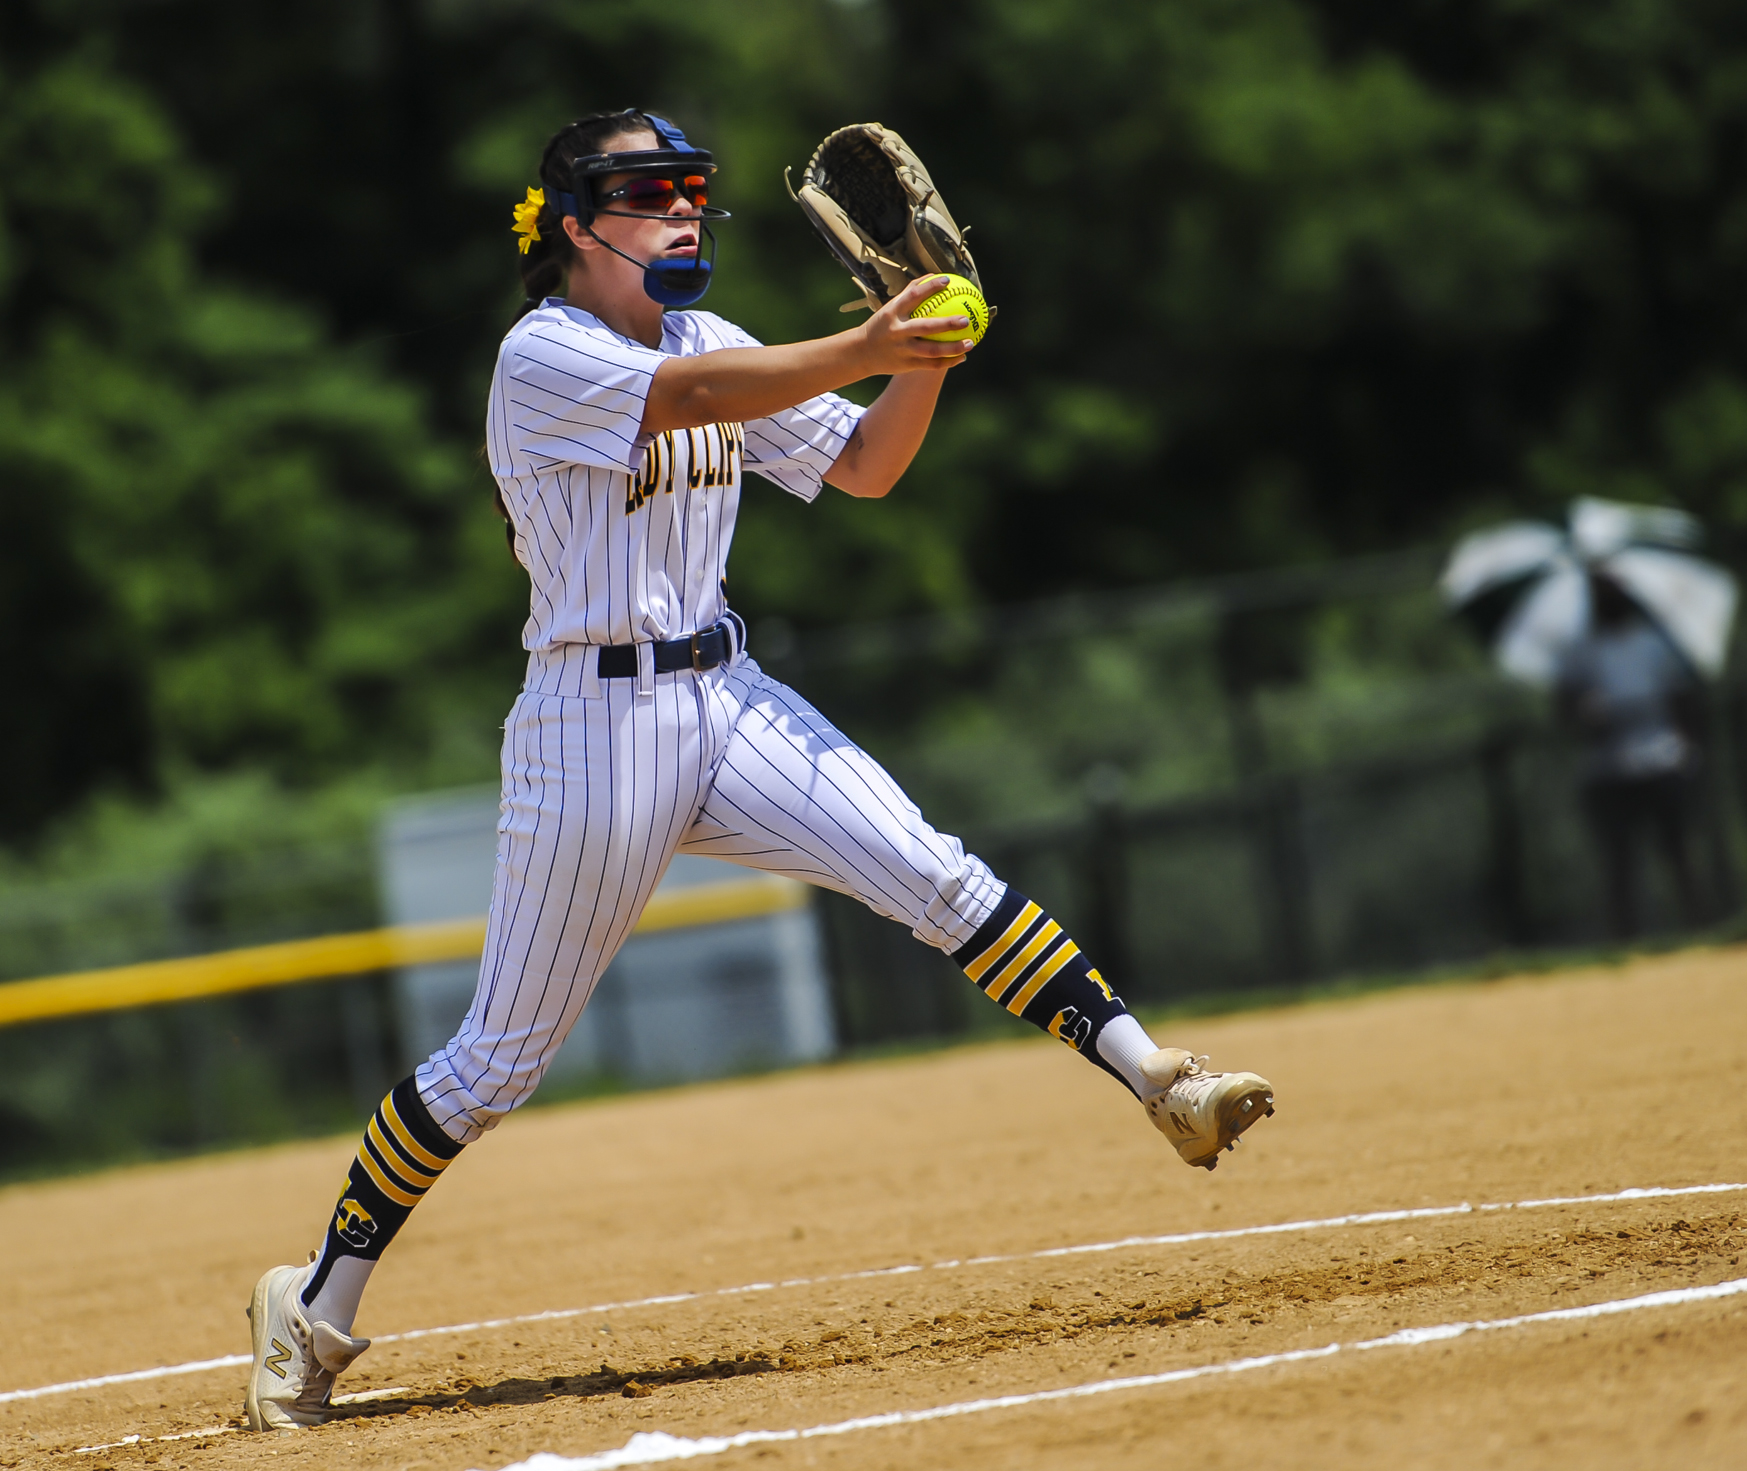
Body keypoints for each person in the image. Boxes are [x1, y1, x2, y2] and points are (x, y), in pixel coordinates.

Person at [244, 109, 1275, 1432]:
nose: (681, 212)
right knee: (493, 1065)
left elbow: (864, 465)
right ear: (572, 222)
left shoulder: (718, 338)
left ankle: (1163, 1083)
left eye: (691, 190)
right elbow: (689, 404)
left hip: (724, 694)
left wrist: (930, 353)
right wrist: (869, 335)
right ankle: (314, 1303)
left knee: (932, 871)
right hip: (590, 721)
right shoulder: (541, 354)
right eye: (645, 191)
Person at [1555, 576, 1705, 939]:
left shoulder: (1654, 643)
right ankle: (1627, 941)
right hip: (1610, 769)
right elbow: (1562, 711)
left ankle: (1702, 929)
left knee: (1679, 852)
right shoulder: (1582, 652)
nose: (1610, 601)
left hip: (1662, 760)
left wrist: (1689, 745)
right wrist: (1584, 713)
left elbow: (1683, 697)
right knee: (1620, 864)